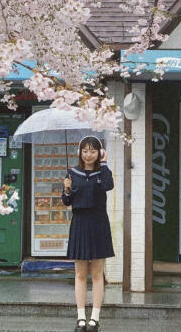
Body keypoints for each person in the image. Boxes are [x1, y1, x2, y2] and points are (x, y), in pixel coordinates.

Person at [62, 136, 114, 332]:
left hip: (99, 222)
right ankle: (81, 318)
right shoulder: (72, 173)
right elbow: (67, 202)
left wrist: (105, 163)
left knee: (97, 273)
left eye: (93, 151)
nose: (88, 155)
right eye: (85, 151)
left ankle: (95, 318)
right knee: (80, 273)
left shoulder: (103, 172)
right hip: (80, 222)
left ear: (99, 153)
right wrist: (66, 190)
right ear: (80, 153)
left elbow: (108, 186)